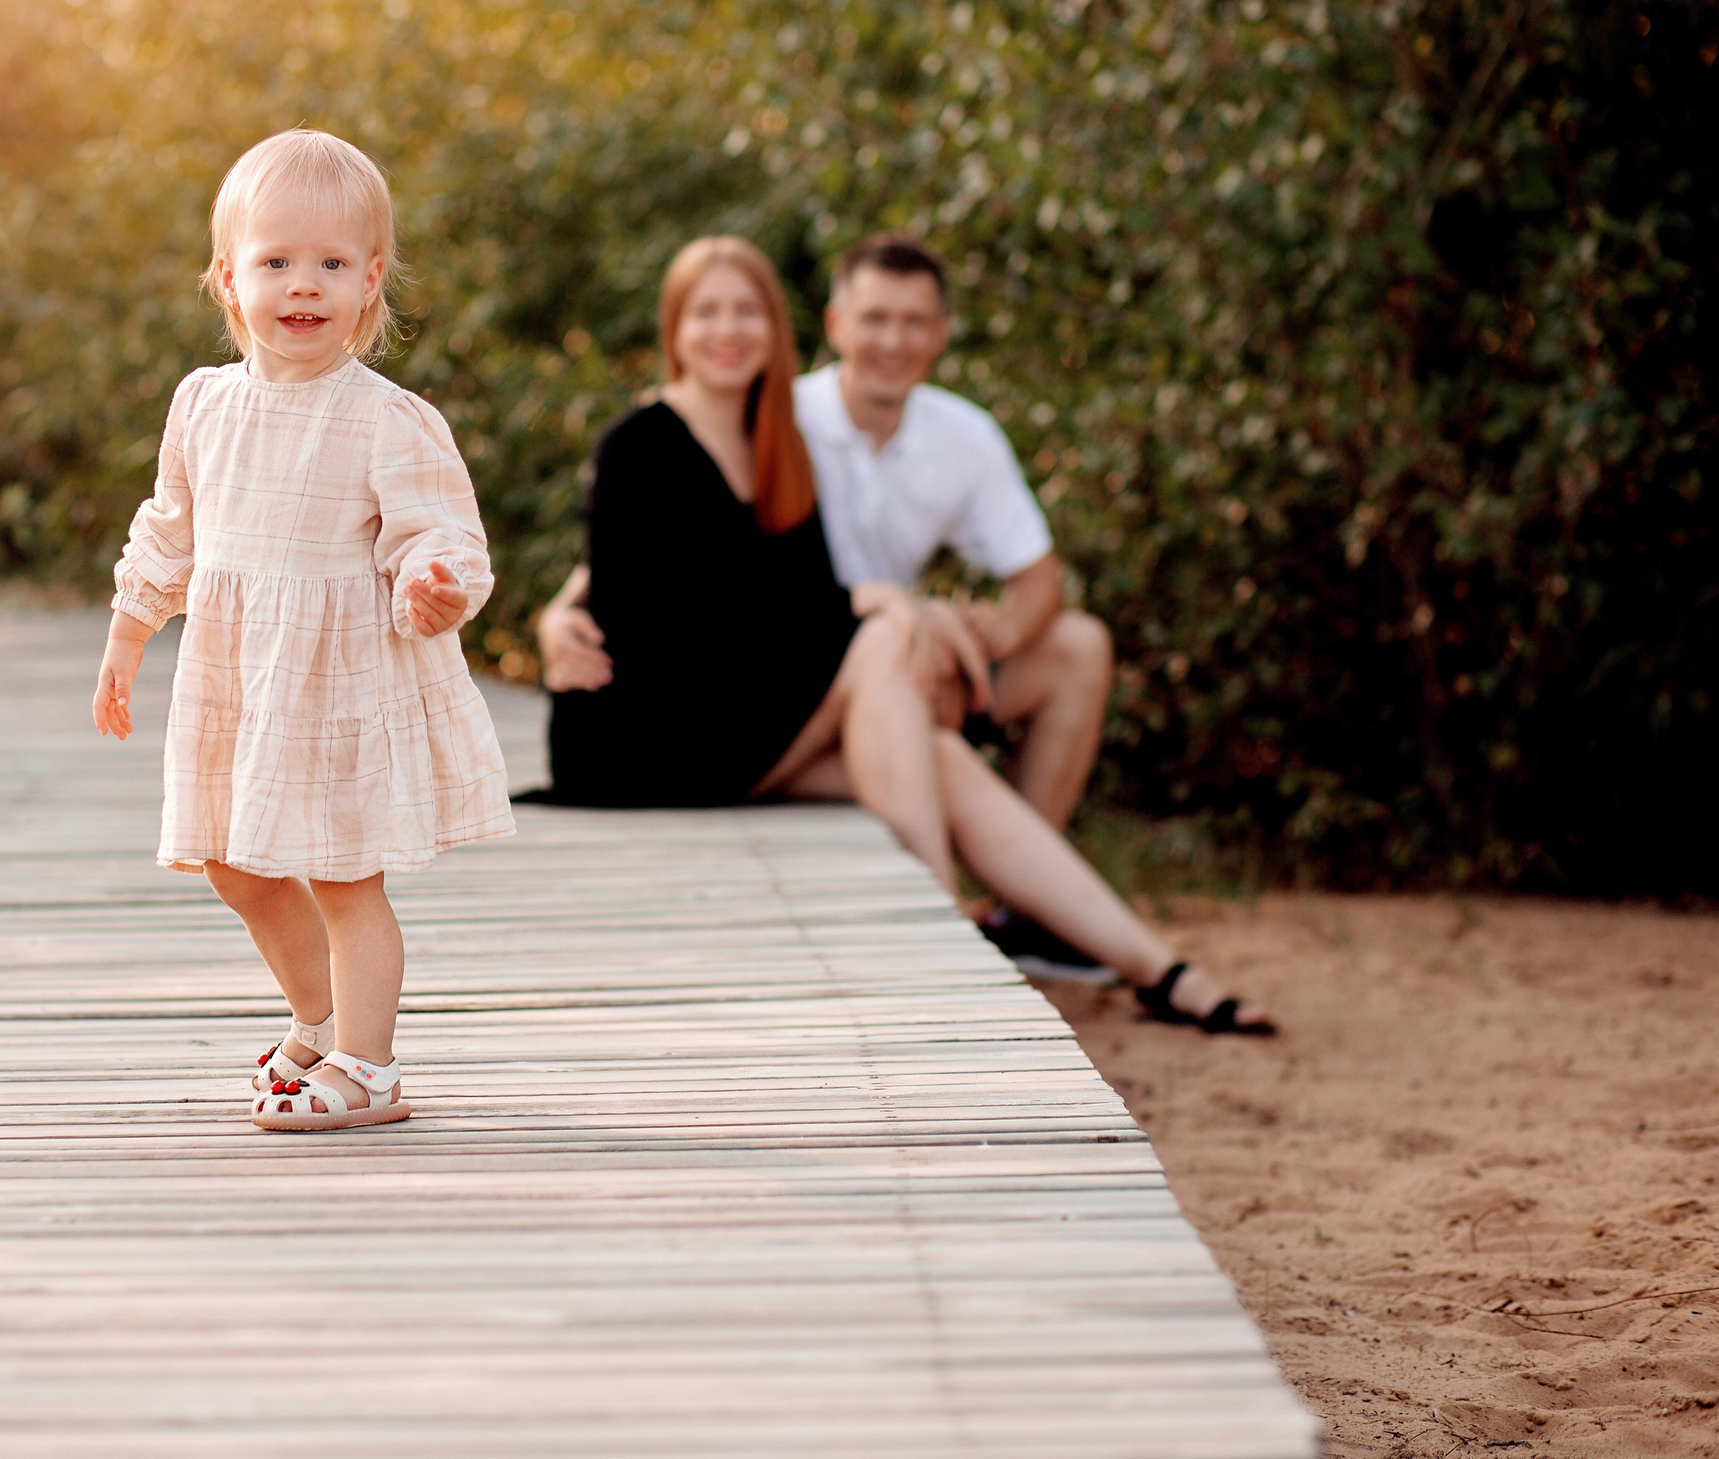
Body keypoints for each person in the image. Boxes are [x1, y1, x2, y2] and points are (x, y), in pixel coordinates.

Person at [535, 234, 1269, 1034]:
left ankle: (1156, 968)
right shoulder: (637, 445)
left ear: (778, 331)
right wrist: (880, 601)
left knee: (941, 751)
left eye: (747, 311)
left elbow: (804, 593)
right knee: (884, 641)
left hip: (748, 726)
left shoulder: (778, 442)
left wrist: (882, 607)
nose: (728, 329)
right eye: (706, 311)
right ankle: (946, 939)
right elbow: (655, 615)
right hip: (643, 732)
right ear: (675, 329)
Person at [92, 130, 516, 1130]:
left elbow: (438, 533)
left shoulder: (384, 417)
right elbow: (170, 527)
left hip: (335, 682)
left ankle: (369, 1064)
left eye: (331, 263)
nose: (303, 284)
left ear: (370, 282)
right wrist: (127, 628)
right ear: (228, 281)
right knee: (233, 863)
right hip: (239, 678)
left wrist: (436, 586)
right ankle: (319, 1018)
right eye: (276, 260)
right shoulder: (202, 405)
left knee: (340, 873)